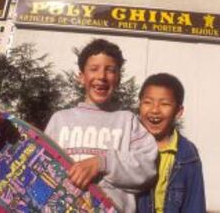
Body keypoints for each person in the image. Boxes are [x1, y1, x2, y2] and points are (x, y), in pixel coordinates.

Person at [45, 39, 158, 212]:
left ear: (118, 78)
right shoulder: (59, 120)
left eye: (110, 70)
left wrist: (103, 163)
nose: (101, 77)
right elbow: (42, 170)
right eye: (94, 69)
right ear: (81, 77)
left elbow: (147, 167)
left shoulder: (128, 121)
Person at [137, 73, 206, 213]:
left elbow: (194, 204)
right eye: (148, 102)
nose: (155, 110)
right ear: (139, 105)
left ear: (178, 111)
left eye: (164, 104)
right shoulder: (129, 145)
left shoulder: (188, 154)